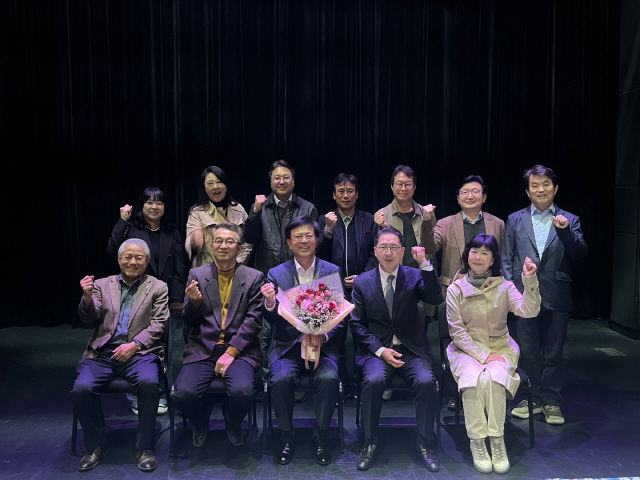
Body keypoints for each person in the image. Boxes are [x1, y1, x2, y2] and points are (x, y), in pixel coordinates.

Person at [349, 227, 444, 472]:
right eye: (383, 247)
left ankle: (425, 442)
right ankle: (370, 442)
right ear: (375, 251)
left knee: (426, 382)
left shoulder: (414, 275)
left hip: (411, 350)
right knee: (373, 381)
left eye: (394, 247)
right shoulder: (362, 282)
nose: (388, 252)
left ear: (402, 251)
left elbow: (435, 298)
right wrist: (380, 350)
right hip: (377, 352)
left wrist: (425, 264)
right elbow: (356, 324)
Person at [72, 239, 169, 472]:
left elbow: (159, 324)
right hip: (103, 353)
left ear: (147, 261)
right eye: (128, 257)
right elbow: (89, 318)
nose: (133, 262)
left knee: (149, 383)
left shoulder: (158, 286)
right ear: (119, 259)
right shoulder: (102, 285)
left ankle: (144, 447)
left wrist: (134, 345)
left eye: (139, 258)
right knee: (81, 389)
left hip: (141, 353)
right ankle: (94, 445)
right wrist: (87, 297)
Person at [446, 234, 540, 474]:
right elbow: (457, 332)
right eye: (474, 251)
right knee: (473, 380)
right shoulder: (456, 289)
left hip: (501, 348)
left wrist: (529, 279)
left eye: (484, 253)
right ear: (467, 255)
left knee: (494, 379)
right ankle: (478, 441)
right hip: (466, 350)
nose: (477, 257)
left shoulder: (505, 287)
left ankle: (497, 440)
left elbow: (528, 311)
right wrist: (483, 355)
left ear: (493, 260)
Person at [502, 165, 587, 425]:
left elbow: (580, 254)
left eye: (546, 184)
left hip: (557, 293)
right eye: (535, 186)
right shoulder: (515, 219)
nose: (541, 190)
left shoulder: (569, 219)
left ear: (555, 188)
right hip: (523, 295)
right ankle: (530, 398)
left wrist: (564, 230)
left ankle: (551, 401)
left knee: (554, 353)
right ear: (528, 192)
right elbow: (507, 258)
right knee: (526, 351)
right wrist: (512, 293)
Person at [260, 216, 343, 466]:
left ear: (317, 240)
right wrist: (270, 303)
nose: (304, 241)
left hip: (323, 347)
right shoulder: (276, 273)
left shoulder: (332, 270)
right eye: (298, 237)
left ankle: (321, 436)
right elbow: (270, 318)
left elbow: (342, 316)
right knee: (281, 379)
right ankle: (287, 435)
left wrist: (323, 335)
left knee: (329, 379)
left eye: (309, 236)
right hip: (287, 346)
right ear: (289, 242)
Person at [174, 223, 263, 447]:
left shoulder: (253, 277)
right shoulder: (197, 274)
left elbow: (253, 320)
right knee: (183, 394)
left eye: (229, 241)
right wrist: (194, 303)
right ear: (212, 245)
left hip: (240, 350)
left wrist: (231, 352)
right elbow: (189, 320)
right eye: (218, 241)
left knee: (244, 392)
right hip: (203, 347)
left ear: (239, 248)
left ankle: (232, 421)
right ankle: (201, 420)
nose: (223, 246)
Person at [107, 187, 188, 414]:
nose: (154, 207)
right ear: (141, 206)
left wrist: (177, 297)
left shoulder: (172, 231)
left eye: (159, 202)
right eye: (149, 202)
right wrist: (122, 221)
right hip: (136, 296)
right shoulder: (132, 229)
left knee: (164, 348)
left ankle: (161, 393)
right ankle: (136, 396)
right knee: (136, 344)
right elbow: (113, 248)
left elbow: (180, 265)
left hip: (165, 297)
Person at [245, 160, 319, 392]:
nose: (281, 181)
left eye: (286, 177)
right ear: (270, 182)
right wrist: (255, 213)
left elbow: (314, 241)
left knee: (299, 330)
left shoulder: (307, 208)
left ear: (293, 181)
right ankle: (268, 384)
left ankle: (294, 383)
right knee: (265, 332)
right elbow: (249, 237)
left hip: (300, 277)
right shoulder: (260, 206)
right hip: (268, 278)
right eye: (277, 178)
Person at [316, 173, 379, 394]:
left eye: (350, 191)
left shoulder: (369, 220)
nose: (345, 195)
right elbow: (318, 255)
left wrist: (364, 276)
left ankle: (362, 384)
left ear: (357, 194)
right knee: (336, 339)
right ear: (334, 195)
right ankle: (342, 386)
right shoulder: (323, 221)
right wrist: (328, 230)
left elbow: (375, 252)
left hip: (363, 287)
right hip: (331, 289)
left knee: (363, 336)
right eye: (341, 191)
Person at [421, 175, 505, 296]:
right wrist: (427, 221)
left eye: (475, 191)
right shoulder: (445, 223)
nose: (470, 196)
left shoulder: (498, 224)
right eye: (464, 192)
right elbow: (429, 248)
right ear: (458, 199)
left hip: (490, 291)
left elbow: (501, 258)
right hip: (454, 290)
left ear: (484, 197)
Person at [186, 166, 251, 267]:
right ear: (204, 188)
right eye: (210, 183)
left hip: (236, 268)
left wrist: (237, 264)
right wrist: (194, 242)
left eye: (219, 182)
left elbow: (248, 241)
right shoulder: (197, 212)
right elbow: (189, 247)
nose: (215, 187)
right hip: (206, 269)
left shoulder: (238, 209)